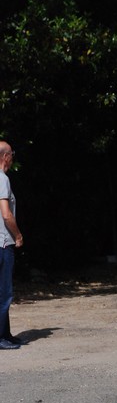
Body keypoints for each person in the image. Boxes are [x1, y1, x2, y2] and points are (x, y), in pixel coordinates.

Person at [0, 141, 24, 350]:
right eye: (12, 154)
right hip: (3, 243)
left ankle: (6, 333)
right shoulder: (2, 179)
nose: (13, 158)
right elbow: (6, 215)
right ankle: (1, 337)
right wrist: (18, 236)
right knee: (4, 292)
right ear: (5, 157)